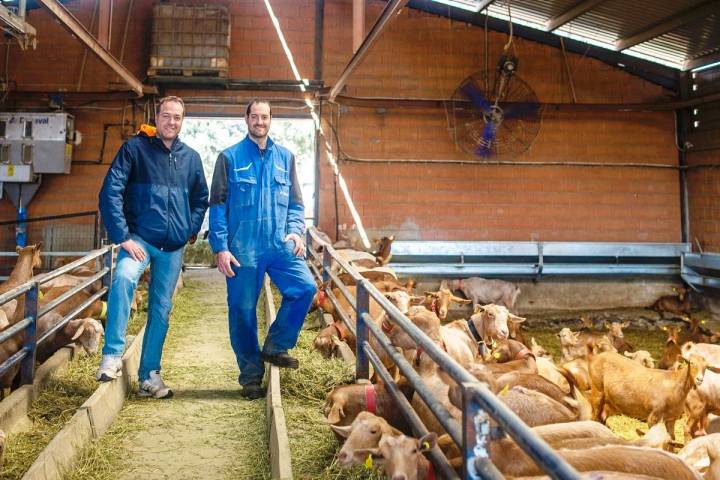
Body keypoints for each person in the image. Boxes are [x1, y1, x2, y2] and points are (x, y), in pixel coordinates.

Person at [96, 96, 209, 399]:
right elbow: (110, 192)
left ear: (182, 121)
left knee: (161, 309)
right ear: (156, 117)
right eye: (167, 116)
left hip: (172, 247)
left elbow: (201, 198)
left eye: (178, 117)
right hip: (140, 240)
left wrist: (191, 229)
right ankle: (112, 356)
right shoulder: (135, 149)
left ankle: (149, 375)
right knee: (122, 279)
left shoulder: (191, 158)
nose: (172, 122)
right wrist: (123, 236)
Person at [208, 98, 316, 400]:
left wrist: (296, 231)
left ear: (271, 120)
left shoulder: (286, 157)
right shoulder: (229, 158)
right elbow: (217, 206)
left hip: (278, 244)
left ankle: (276, 345)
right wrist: (220, 246)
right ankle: (250, 377)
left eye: (265, 117)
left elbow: (296, 203)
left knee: (305, 288)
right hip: (243, 248)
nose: (260, 122)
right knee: (242, 312)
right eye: (255, 117)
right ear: (246, 119)